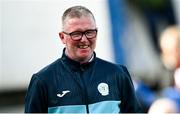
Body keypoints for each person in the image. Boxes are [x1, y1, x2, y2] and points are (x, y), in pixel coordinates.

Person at [25, 5, 141, 113]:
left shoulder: (118, 74)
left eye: (89, 32)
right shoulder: (42, 81)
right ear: (62, 37)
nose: (84, 39)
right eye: (76, 34)